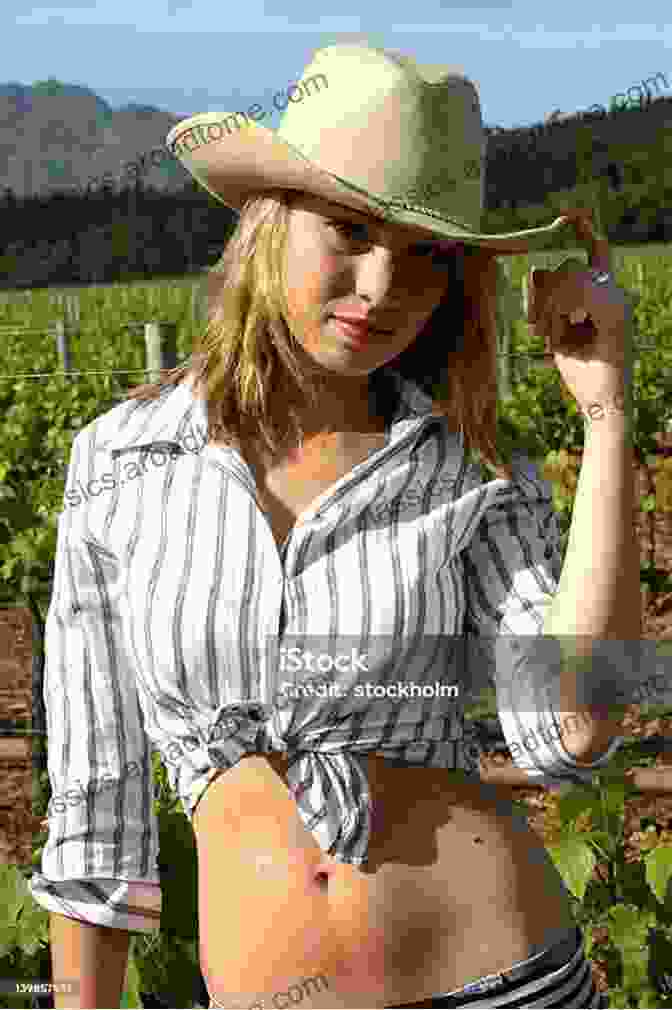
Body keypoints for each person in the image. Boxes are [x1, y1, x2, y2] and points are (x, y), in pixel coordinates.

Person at [33, 42, 641, 1009]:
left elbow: (573, 729)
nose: (380, 286)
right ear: (271, 223)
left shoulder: (472, 471)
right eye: (351, 231)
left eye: (424, 258)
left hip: (504, 978)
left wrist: (606, 418)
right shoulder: (119, 463)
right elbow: (93, 812)